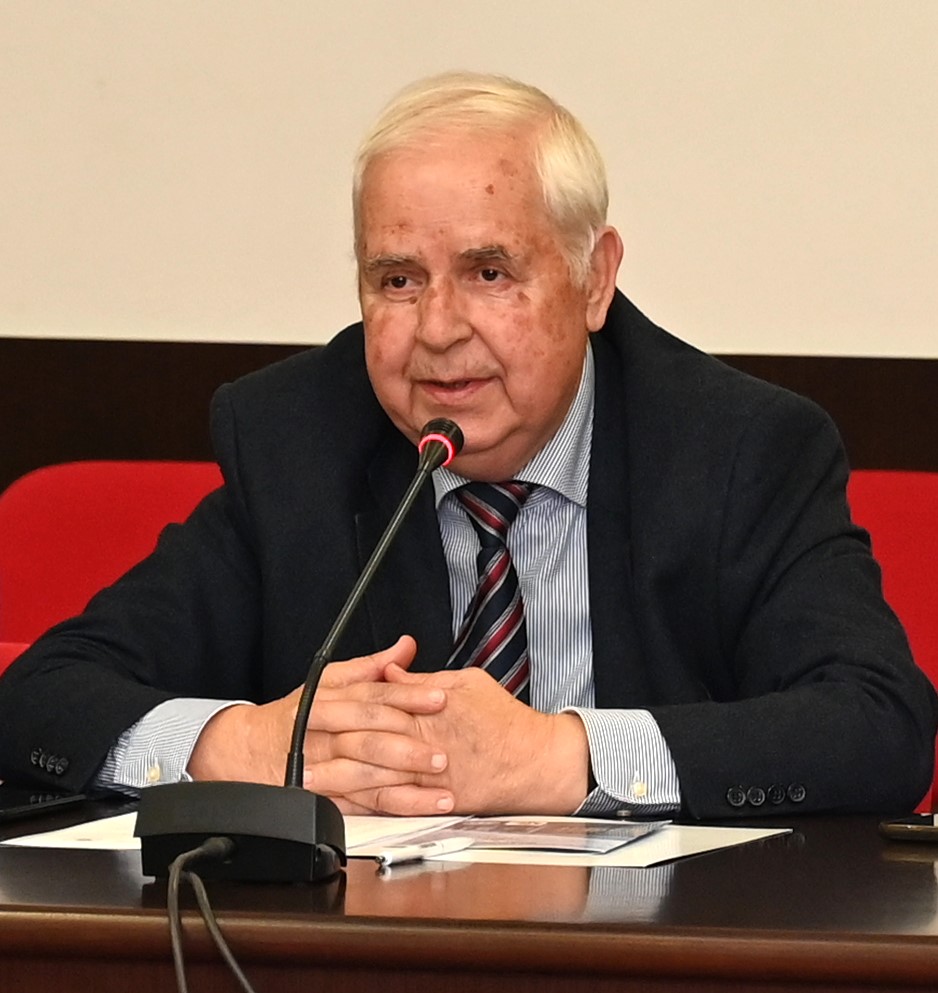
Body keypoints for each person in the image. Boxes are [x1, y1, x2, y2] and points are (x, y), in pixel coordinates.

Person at [0, 72, 934, 820]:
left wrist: (558, 756)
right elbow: (42, 694)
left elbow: (880, 723)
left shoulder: (737, 449)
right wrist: (240, 745)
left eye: (489, 272)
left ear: (594, 280)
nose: (438, 329)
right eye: (398, 280)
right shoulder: (298, 440)